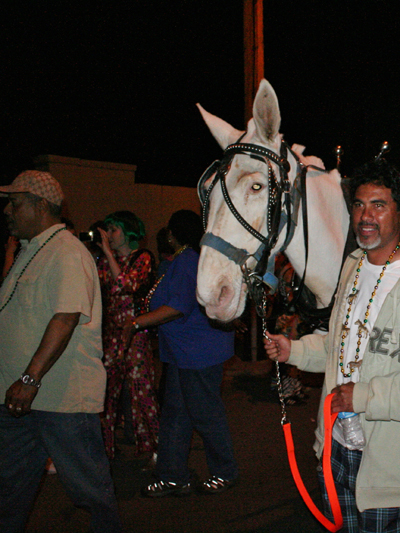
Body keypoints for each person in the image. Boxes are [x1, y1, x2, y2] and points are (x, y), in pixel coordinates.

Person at [264, 158, 400, 532]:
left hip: (390, 462)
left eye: (379, 205)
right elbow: (342, 346)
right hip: (338, 447)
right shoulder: (354, 266)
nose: (365, 215)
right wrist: (292, 351)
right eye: (359, 204)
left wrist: (361, 398)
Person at [0, 170, 122, 532]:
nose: (7, 210)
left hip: (59, 399)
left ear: (40, 206)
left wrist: (29, 377)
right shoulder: (30, 251)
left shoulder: (67, 252)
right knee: (9, 490)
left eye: (15, 202)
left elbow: (65, 318)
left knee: (92, 492)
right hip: (22, 399)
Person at [128, 210, 239, 497]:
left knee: (205, 415)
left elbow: (178, 307)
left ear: (174, 233)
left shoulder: (189, 261)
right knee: (176, 415)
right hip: (183, 352)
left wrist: (136, 324)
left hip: (198, 354)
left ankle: (224, 472)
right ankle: (173, 476)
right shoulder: (183, 260)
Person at [96, 210, 159, 462]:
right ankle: (106, 449)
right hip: (111, 335)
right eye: (107, 230)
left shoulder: (142, 258)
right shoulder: (103, 262)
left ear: (128, 232)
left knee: (141, 393)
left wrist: (109, 255)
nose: (109, 235)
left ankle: (154, 449)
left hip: (135, 334)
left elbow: (127, 285)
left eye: (114, 230)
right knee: (107, 393)